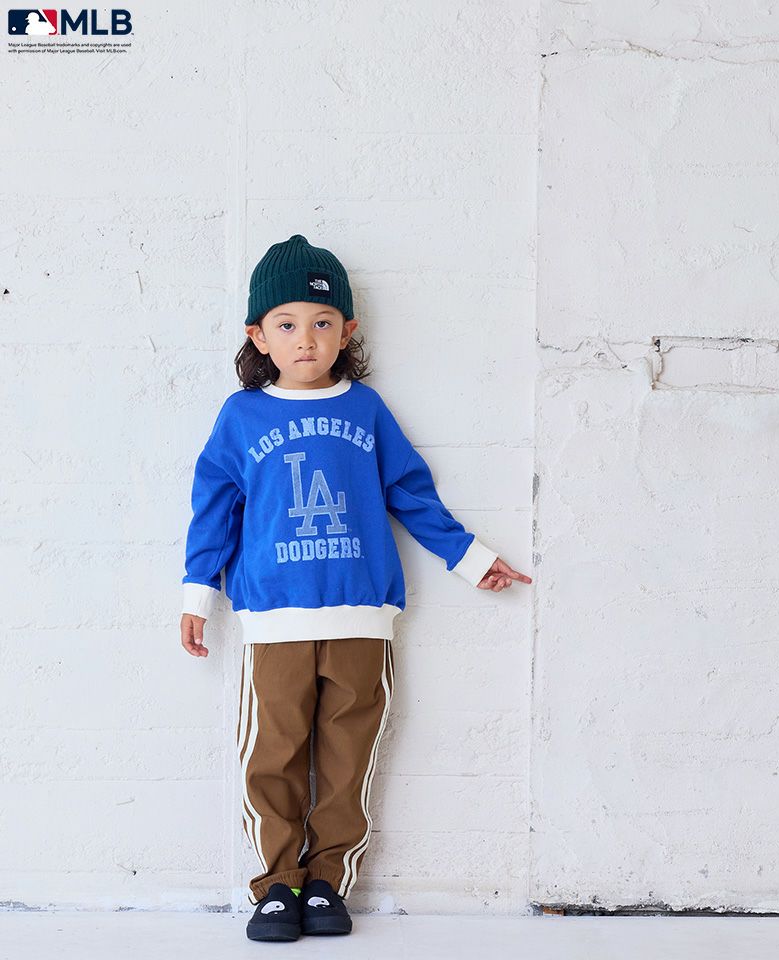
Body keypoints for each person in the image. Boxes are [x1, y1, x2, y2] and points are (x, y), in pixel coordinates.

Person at [179, 234, 532, 942]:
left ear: (347, 331)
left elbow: (410, 492)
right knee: (272, 755)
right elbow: (214, 506)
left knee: (348, 758)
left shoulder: (365, 409)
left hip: (362, 619)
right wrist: (197, 594)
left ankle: (327, 883)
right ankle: (278, 883)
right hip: (274, 618)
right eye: (286, 324)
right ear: (258, 336)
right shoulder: (241, 417)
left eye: (321, 323)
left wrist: (468, 558)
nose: (305, 339)